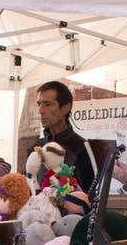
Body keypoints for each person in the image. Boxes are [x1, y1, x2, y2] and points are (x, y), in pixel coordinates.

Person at [34, 80, 95, 210]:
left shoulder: (82, 148)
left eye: (48, 104)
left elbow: (90, 197)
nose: (40, 110)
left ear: (66, 108)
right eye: (39, 104)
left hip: (69, 224)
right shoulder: (37, 147)